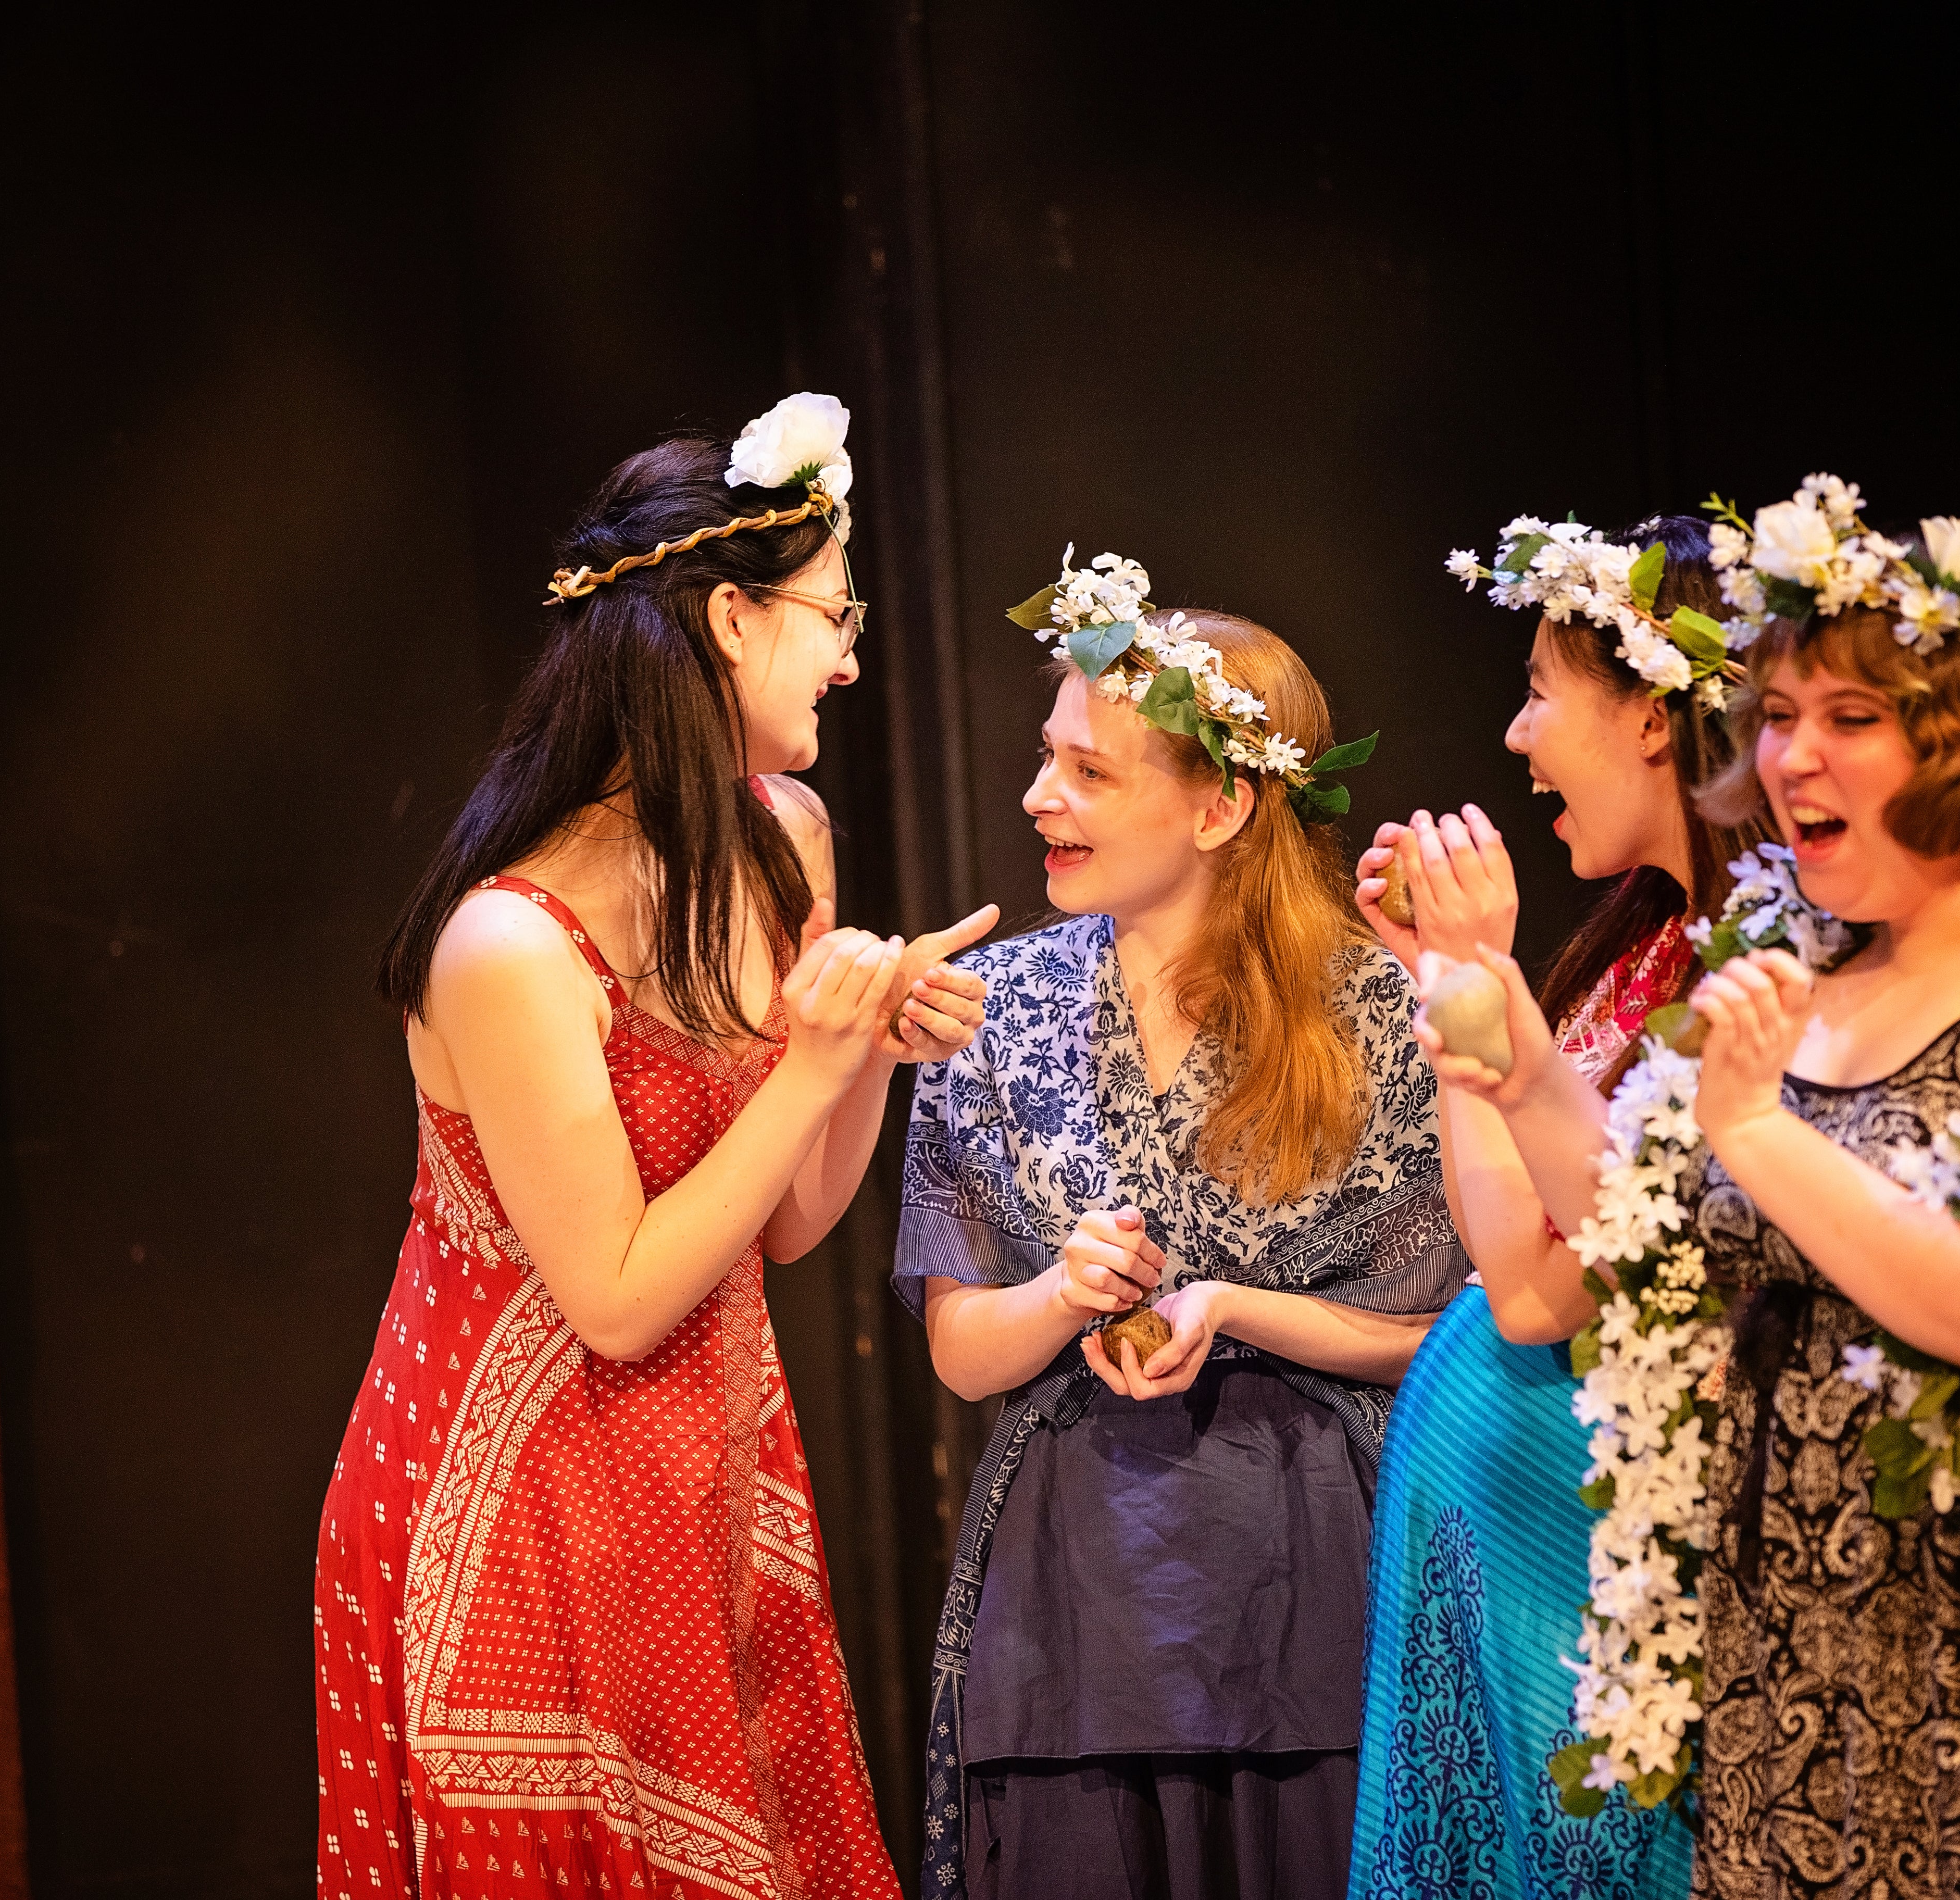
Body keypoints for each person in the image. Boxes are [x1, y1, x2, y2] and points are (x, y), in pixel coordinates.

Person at [1443, 484, 1960, 1893]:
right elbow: (1646, 1247)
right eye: (1777, 716)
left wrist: (1758, 1132)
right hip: (1809, 1631)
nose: (1793, 755)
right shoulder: (1815, 944)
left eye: (1852, 717)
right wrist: (1515, 1062)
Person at [315, 394, 996, 1900]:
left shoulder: (783, 841)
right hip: (522, 1524)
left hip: (705, 1479)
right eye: (835, 611)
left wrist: (864, 1052)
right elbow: (617, 1293)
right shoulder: (508, 939)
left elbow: (790, 1223)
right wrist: (812, 1060)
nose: (854, 649)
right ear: (734, 621)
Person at [898, 561, 1467, 1900]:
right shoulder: (992, 1009)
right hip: (1073, 1603)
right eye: (1050, 760)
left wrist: (1231, 1310)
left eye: (1091, 774)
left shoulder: (1372, 1009)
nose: (1041, 798)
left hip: (1315, 1582)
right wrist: (1058, 1296)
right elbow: (965, 1352)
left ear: (1220, 804)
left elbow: (1439, 1325)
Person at [1347, 515, 1761, 1897]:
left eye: (1540, 690)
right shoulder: (1636, 943)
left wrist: (1482, 979)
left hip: (1593, 1550)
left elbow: (1537, 1290)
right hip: (1501, 1527)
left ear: (1654, 715)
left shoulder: (1754, 978)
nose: (1517, 738)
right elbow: (1503, 1238)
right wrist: (1448, 986)